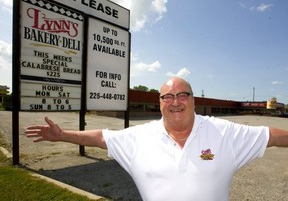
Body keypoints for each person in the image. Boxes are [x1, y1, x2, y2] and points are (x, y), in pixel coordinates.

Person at [25, 77, 288, 201]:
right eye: (168, 97)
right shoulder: (139, 137)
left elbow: (272, 136)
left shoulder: (224, 133)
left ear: (193, 100)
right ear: (160, 103)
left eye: (182, 95)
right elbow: (102, 138)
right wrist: (61, 136)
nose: (176, 102)